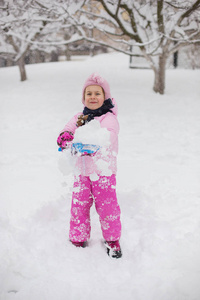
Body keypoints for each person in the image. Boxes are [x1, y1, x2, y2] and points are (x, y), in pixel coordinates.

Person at [57, 73, 122, 258]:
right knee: (79, 205)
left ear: (105, 97)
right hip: (81, 171)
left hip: (103, 171)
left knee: (107, 206)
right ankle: (78, 238)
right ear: (84, 98)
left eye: (97, 93)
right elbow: (68, 129)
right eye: (89, 94)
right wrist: (65, 136)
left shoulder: (108, 118)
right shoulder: (79, 117)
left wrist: (90, 144)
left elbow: (108, 136)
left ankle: (112, 239)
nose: (93, 97)